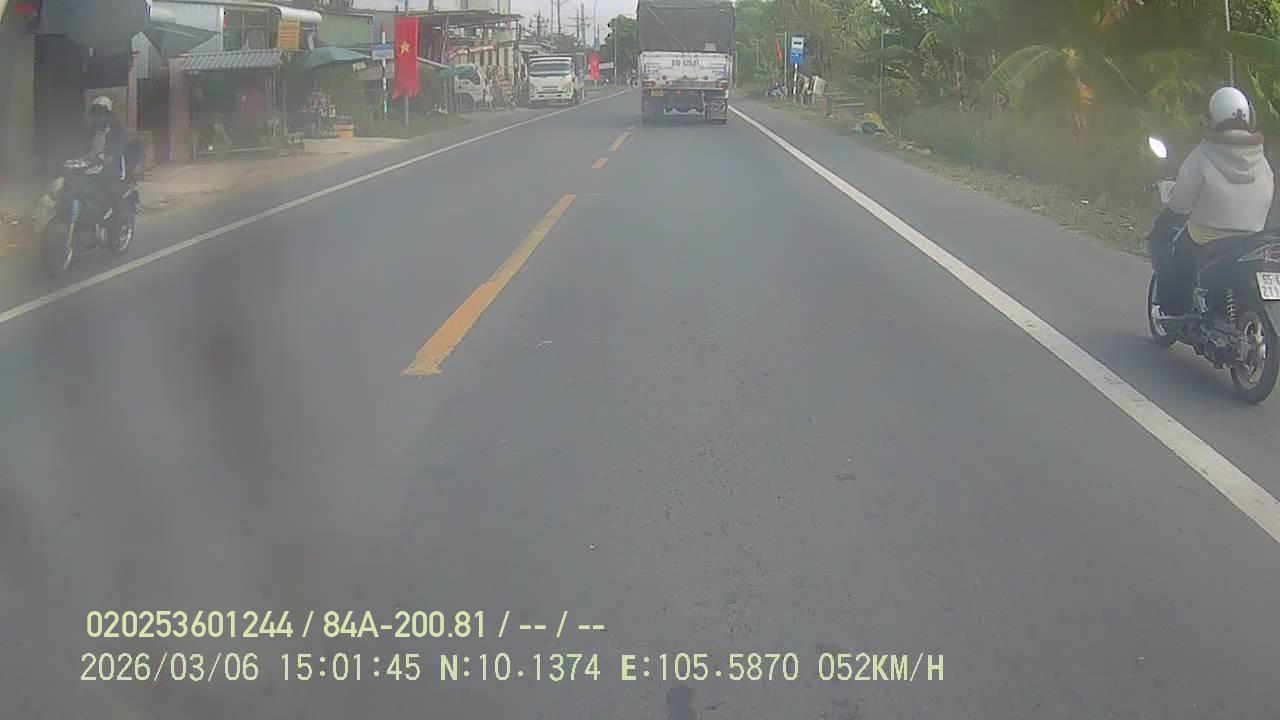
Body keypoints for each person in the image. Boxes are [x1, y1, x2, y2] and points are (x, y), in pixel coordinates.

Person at [1155, 86, 1275, 315]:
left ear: (1213, 117)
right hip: (1252, 239)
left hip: (1207, 236)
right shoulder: (1260, 156)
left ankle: (1175, 309)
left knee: (1177, 248)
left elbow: (1181, 204)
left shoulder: (1204, 153)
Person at [81, 95, 129, 231]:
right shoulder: (90, 130)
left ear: (108, 115)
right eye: (95, 114)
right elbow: (82, 147)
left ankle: (117, 227)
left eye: (101, 113)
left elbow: (118, 150)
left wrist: (108, 158)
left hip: (112, 170)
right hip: (90, 169)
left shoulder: (117, 130)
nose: (98, 117)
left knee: (113, 193)